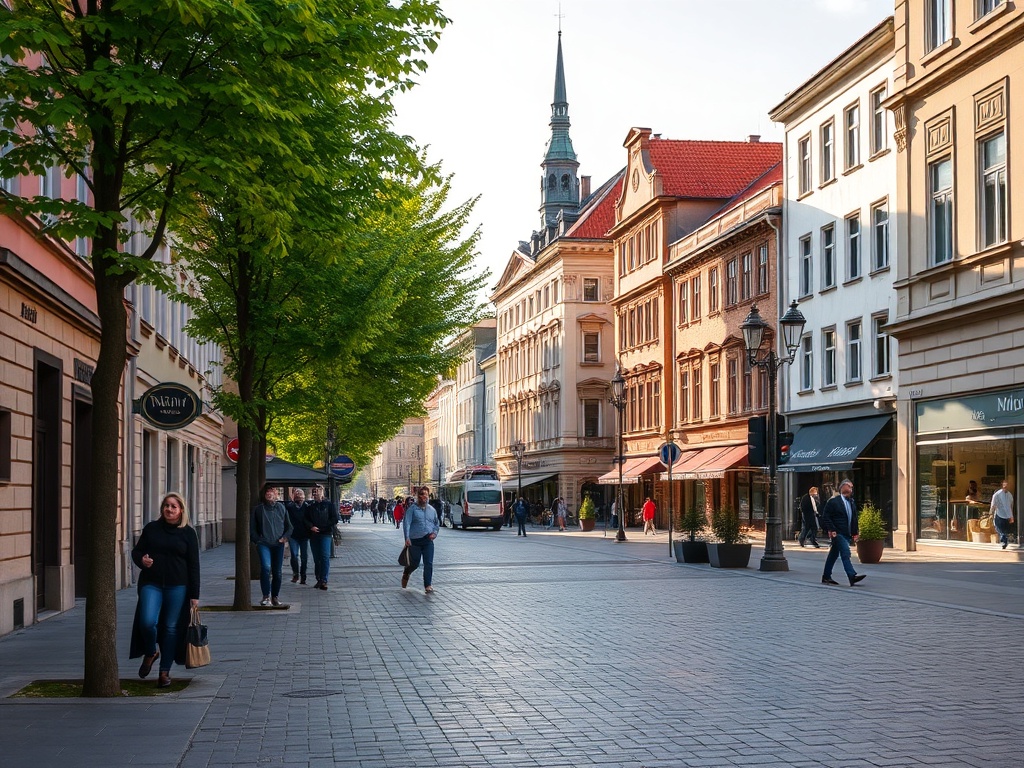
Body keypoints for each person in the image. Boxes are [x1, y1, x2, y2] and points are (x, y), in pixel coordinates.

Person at [130, 491, 201, 688]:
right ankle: (151, 651)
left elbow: (194, 565)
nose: (169, 509)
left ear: (181, 510)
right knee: (147, 622)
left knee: (170, 628)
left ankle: (164, 671)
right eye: (166, 505)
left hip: (178, 586)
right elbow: (137, 551)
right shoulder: (152, 529)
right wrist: (142, 560)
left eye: (173, 506)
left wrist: (195, 595)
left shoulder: (188, 533)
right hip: (151, 583)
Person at [250, 483, 292, 606]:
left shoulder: (281, 508)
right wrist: (257, 540)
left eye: (272, 491)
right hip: (264, 543)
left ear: (276, 494)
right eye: (267, 491)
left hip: (278, 544)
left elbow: (289, 527)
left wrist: (284, 538)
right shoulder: (258, 509)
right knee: (266, 567)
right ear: (264, 494)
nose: (269, 493)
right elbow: (252, 528)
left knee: (277, 571)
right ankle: (265, 596)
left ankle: (275, 596)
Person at [819, 479, 866, 587]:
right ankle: (852, 575)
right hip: (838, 533)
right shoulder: (833, 502)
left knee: (833, 555)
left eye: (852, 487)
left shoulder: (851, 502)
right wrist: (832, 529)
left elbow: (854, 519)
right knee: (845, 553)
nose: (851, 489)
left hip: (847, 533)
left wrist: (855, 533)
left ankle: (826, 576)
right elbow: (826, 516)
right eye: (850, 486)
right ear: (843, 487)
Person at [401, 486, 440, 593]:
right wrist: (407, 538)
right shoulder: (412, 509)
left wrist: (434, 533)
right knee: (415, 563)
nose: (424, 497)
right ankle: (407, 572)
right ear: (418, 496)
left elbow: (437, 523)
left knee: (428, 563)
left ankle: (428, 585)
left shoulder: (432, 510)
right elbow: (406, 523)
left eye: (426, 494)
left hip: (428, 540)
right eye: (422, 494)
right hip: (415, 541)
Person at [305, 484, 339, 590]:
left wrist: (324, 527)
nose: (316, 493)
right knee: (317, 558)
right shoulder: (310, 506)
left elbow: (335, 518)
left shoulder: (329, 505)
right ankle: (319, 578)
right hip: (314, 534)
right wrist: (311, 527)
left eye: (318, 491)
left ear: (322, 492)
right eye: (314, 492)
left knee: (324, 556)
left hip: (325, 534)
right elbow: (306, 519)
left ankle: (324, 580)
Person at [285, 488, 310, 584]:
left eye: (301, 494)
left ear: (303, 497)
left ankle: (303, 575)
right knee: (294, 556)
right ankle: (296, 574)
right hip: (293, 535)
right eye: (297, 494)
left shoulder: (307, 506)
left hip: (304, 535)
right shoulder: (290, 507)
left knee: (304, 557)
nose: (299, 496)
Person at [990, 480, 1015, 549]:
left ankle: (1004, 541)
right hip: (1004, 515)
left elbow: (993, 505)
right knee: (1003, 530)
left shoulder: (998, 494)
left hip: (1001, 515)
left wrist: (991, 513)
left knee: (1000, 529)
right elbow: (1011, 506)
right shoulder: (1007, 495)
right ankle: (1004, 541)